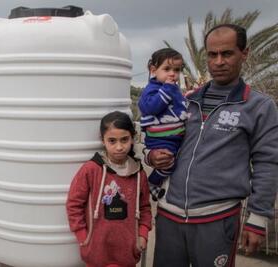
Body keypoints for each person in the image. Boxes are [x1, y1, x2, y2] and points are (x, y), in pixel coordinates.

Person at [147, 24, 278, 267]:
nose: (218, 61)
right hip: (168, 217)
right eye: (212, 54)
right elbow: (156, 135)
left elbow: (268, 163)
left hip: (217, 221)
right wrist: (151, 156)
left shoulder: (259, 107)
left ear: (244, 53)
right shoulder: (185, 101)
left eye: (227, 53)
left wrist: (257, 220)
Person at [66, 111, 152, 267]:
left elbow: (145, 207)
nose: (119, 147)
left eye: (124, 140)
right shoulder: (91, 170)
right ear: (103, 140)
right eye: (112, 141)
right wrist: (84, 237)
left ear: (132, 138)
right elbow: (74, 204)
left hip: (128, 255)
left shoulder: (139, 173)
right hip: (96, 255)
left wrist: (143, 235)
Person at [138, 48, 188, 201]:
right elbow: (149, 107)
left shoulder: (173, 89)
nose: (172, 74)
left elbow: (179, 107)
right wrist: (166, 89)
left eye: (176, 70)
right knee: (169, 163)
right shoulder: (152, 89)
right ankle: (152, 182)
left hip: (172, 137)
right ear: (153, 70)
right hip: (160, 139)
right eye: (167, 69)